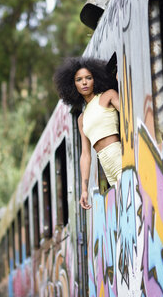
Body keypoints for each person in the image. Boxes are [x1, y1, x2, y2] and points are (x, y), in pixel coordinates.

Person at [53, 57, 121, 210]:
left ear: (95, 79)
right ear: (73, 84)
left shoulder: (107, 96)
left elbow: (129, 115)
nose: (84, 83)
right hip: (105, 164)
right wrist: (84, 190)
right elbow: (85, 155)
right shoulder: (81, 118)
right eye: (79, 79)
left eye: (88, 78)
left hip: (117, 154)